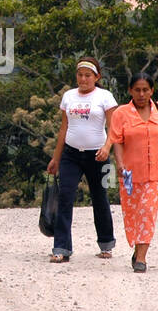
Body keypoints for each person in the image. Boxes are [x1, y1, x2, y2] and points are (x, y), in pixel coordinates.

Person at [45, 56, 117, 263]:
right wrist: (56, 158)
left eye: (88, 75)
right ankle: (61, 247)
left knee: (100, 197)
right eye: (80, 75)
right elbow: (64, 128)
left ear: (97, 77)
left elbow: (114, 128)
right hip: (71, 154)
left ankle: (106, 244)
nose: (83, 79)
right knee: (65, 197)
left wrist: (106, 148)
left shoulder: (105, 97)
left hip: (97, 155)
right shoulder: (68, 96)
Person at [108, 72, 158, 272]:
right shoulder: (121, 113)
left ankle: (141, 258)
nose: (141, 94)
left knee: (147, 212)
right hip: (131, 175)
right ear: (130, 91)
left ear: (152, 91)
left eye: (145, 90)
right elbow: (117, 141)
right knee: (133, 215)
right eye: (137, 90)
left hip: (157, 174)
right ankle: (138, 248)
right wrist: (120, 165)